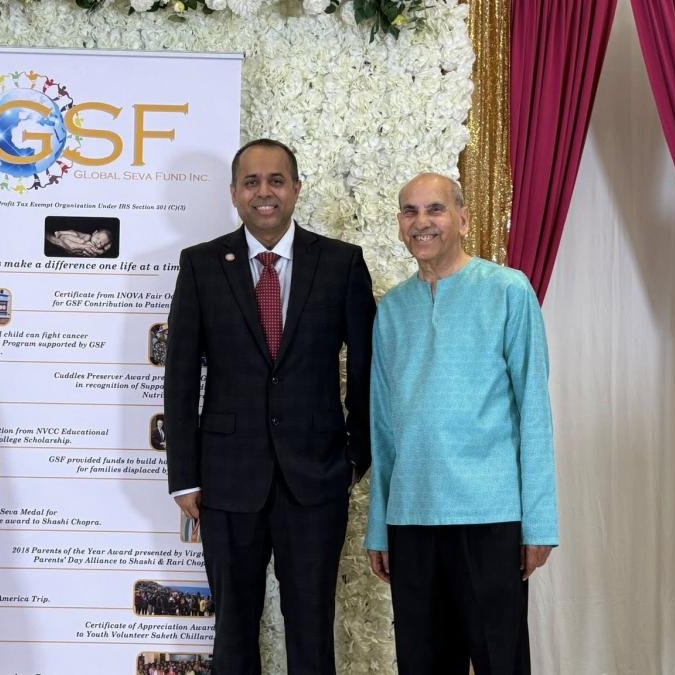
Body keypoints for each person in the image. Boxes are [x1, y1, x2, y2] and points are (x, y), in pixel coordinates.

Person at [164, 138, 376, 674]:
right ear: (234, 193)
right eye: (252, 182)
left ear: (296, 189)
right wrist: (184, 477)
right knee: (233, 633)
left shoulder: (341, 263)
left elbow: (368, 370)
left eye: (276, 180)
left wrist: (356, 457)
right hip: (226, 480)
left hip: (317, 478)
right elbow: (181, 377)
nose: (265, 192)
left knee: (311, 629)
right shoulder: (201, 265)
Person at [365, 173, 558, 674]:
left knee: (500, 662)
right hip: (411, 520)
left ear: (463, 219)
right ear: (400, 224)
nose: (421, 222)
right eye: (410, 211)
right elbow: (383, 428)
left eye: (435, 209)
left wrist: (539, 522)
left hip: (489, 518)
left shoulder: (508, 291)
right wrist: (380, 526)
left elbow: (534, 410)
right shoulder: (392, 310)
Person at [47, 228, 113, 256]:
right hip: (67, 236)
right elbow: (82, 241)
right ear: (94, 233)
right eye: (98, 238)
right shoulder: (88, 236)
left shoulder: (96, 249)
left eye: (101, 243)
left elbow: (101, 252)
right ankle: (59, 232)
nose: (97, 242)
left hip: (69, 243)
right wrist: (85, 244)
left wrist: (106, 249)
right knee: (80, 240)